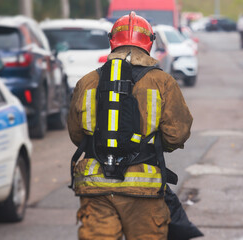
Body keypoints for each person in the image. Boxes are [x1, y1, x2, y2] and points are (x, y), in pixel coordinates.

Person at [67, 11, 193, 240]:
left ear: (111, 41)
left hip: (94, 185)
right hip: (143, 187)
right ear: (150, 42)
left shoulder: (86, 81)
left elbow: (76, 134)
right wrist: (150, 146)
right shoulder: (162, 82)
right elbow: (177, 134)